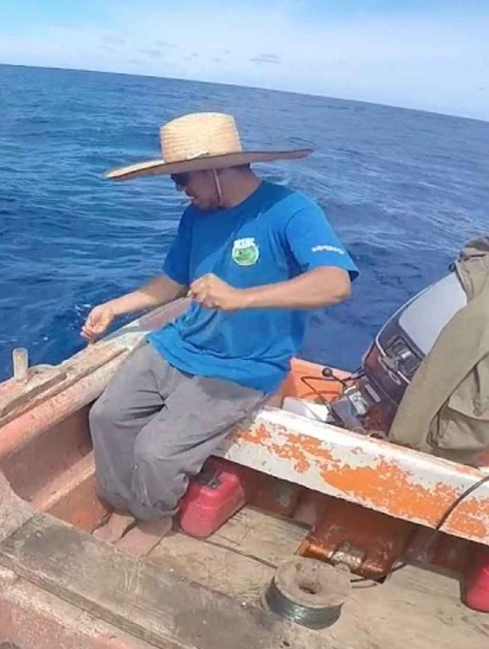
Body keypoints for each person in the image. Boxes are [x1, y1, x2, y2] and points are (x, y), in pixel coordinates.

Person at [81, 112, 357, 554]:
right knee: (107, 416)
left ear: (215, 170)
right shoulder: (196, 216)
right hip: (180, 344)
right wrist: (115, 307)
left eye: (183, 179)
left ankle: (153, 520)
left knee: (157, 451)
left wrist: (240, 298)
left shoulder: (291, 210)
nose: (179, 190)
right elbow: (172, 280)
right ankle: (121, 506)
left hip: (243, 366)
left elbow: (335, 282)